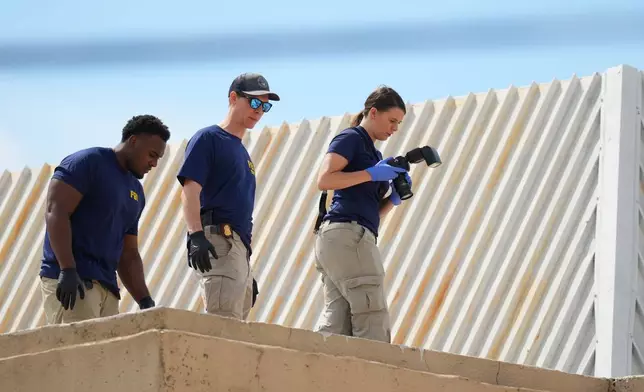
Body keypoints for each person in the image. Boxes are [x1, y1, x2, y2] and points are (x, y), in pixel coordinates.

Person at [39, 114, 171, 325]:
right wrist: (67, 269)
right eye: (152, 155)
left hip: (108, 289)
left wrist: (145, 301)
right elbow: (56, 212)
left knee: (104, 357)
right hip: (74, 281)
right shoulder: (87, 162)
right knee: (78, 354)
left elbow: (128, 253)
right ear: (133, 141)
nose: (154, 163)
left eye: (158, 159)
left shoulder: (136, 191)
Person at [312, 85, 412, 343]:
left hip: (345, 235)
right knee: (371, 311)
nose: (394, 128)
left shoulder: (374, 153)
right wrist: (371, 174)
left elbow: (370, 214)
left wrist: (393, 199)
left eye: (399, 123)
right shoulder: (351, 138)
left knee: (339, 317)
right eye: (392, 121)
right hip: (348, 234)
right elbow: (324, 180)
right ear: (374, 113)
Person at [177, 72, 279, 320]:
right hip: (218, 240)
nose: (259, 110)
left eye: (265, 106)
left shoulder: (243, 153)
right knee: (222, 325)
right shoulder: (209, 138)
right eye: (254, 102)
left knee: (237, 333)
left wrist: (246, 267)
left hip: (238, 248)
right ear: (233, 97)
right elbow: (190, 190)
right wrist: (197, 235)